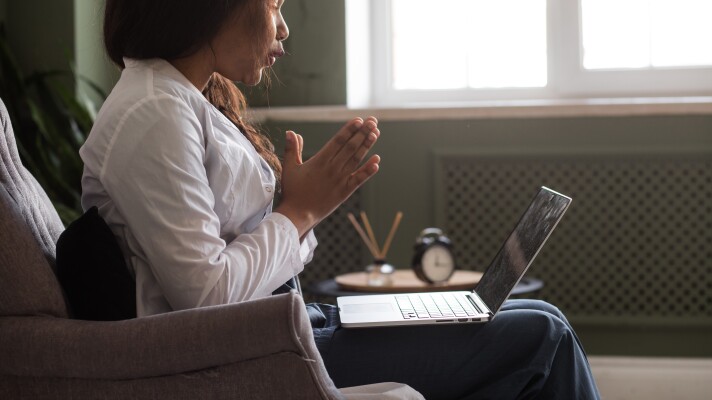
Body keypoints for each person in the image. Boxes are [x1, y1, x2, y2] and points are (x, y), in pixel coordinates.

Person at [81, 0, 601, 398]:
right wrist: (299, 210)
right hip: (247, 356)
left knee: (540, 316)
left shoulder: (179, 101)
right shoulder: (153, 114)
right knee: (542, 337)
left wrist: (296, 211)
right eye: (274, 5)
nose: (283, 27)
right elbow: (207, 299)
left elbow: (248, 255)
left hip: (288, 325)